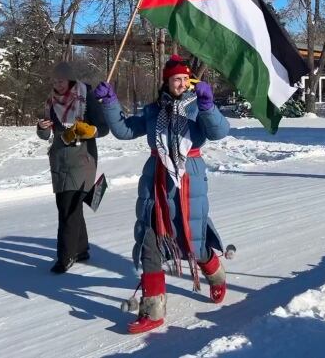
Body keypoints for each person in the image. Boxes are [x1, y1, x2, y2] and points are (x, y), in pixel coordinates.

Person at [94, 55, 230, 334]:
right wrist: (110, 103)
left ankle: (215, 274)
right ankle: (153, 310)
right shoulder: (153, 110)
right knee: (149, 241)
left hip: (189, 179)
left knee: (195, 243)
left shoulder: (196, 107)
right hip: (155, 179)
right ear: (166, 82)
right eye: (174, 79)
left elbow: (218, 132)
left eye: (184, 79)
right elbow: (123, 130)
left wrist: (208, 105)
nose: (180, 83)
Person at [36, 61, 109, 274]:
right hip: (59, 158)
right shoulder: (50, 100)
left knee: (68, 207)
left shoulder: (88, 96)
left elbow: (104, 128)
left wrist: (91, 130)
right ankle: (82, 248)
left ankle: (65, 256)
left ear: (70, 79)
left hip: (82, 157)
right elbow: (45, 134)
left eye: (61, 80)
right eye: (54, 80)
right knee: (70, 204)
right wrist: (41, 128)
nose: (57, 84)